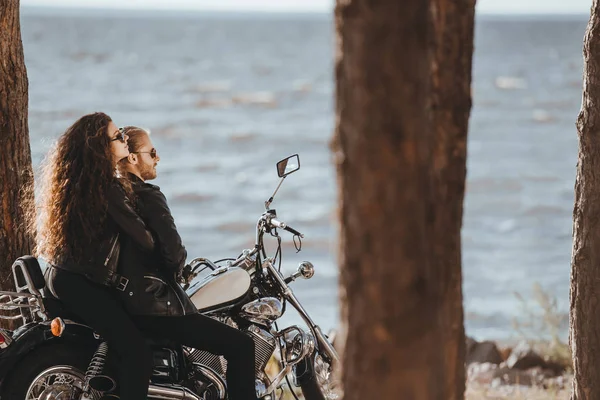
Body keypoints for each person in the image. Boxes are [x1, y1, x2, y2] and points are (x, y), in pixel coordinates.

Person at [116, 126, 258, 400]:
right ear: (133, 158)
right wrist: (178, 269)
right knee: (241, 345)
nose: (157, 158)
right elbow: (174, 254)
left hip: (129, 302)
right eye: (152, 152)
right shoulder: (148, 195)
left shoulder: (117, 194)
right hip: (153, 306)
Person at [37, 113, 154, 399]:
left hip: (61, 276)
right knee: (138, 352)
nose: (124, 139)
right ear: (101, 148)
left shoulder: (79, 183)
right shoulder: (108, 188)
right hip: (80, 284)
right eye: (118, 137)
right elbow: (146, 241)